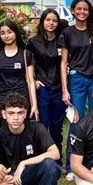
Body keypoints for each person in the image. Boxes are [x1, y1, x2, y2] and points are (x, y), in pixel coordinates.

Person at [27, 9, 67, 150]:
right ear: (42, 21)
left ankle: (56, 158)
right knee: (42, 124)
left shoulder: (62, 40)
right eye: (48, 20)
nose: (51, 23)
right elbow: (26, 64)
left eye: (54, 20)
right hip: (42, 88)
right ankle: (41, 156)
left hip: (58, 87)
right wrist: (34, 81)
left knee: (57, 126)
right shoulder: (33, 42)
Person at [60, 0, 93, 122]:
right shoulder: (67, 32)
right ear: (72, 11)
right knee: (76, 117)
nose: (82, 12)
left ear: (89, 12)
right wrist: (65, 90)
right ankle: (75, 142)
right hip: (77, 78)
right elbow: (63, 62)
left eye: (85, 9)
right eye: (79, 9)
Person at [0, 19, 38, 120]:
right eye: (2, 33)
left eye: (9, 32)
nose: (6, 36)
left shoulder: (25, 54)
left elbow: (30, 81)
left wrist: (34, 105)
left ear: (15, 33)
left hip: (21, 97)